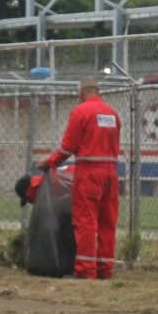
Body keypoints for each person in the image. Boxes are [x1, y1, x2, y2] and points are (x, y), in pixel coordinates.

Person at [37, 77, 121, 279]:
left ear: (82, 92)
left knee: (86, 222)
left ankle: (85, 271)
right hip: (110, 172)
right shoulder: (112, 114)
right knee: (107, 223)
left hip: (89, 172)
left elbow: (68, 147)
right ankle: (104, 269)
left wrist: (50, 163)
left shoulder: (81, 112)